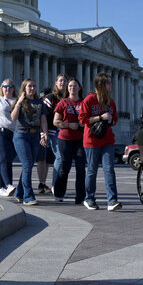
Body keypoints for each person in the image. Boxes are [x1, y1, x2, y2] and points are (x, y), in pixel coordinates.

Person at [79, 72, 121, 211]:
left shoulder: (111, 101)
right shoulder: (89, 100)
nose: (110, 85)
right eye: (108, 82)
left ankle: (112, 201)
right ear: (100, 84)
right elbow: (82, 119)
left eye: (110, 82)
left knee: (109, 169)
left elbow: (115, 120)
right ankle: (89, 198)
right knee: (92, 170)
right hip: (92, 140)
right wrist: (100, 117)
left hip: (108, 139)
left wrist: (111, 120)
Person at [10, 78, 47, 205]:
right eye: (29, 86)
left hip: (35, 136)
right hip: (21, 135)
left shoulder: (40, 102)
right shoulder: (19, 101)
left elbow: (43, 119)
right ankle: (28, 196)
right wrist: (19, 102)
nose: (32, 88)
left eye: (34, 86)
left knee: (29, 165)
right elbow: (13, 117)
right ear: (24, 88)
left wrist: (45, 133)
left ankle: (19, 193)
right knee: (27, 164)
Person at [51, 77, 85, 204]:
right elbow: (56, 122)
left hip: (80, 140)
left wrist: (82, 124)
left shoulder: (84, 103)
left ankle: (80, 196)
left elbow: (88, 120)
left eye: (75, 85)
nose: (72, 88)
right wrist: (70, 125)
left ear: (79, 88)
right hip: (65, 139)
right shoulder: (63, 103)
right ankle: (59, 193)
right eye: (70, 86)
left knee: (81, 168)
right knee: (65, 167)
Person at [38, 74, 67, 195]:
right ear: (56, 83)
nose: (63, 83)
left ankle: (52, 184)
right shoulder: (50, 97)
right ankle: (53, 184)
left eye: (65, 81)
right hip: (51, 132)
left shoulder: (67, 98)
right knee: (57, 158)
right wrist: (42, 133)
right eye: (60, 81)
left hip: (63, 133)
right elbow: (42, 116)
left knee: (55, 159)